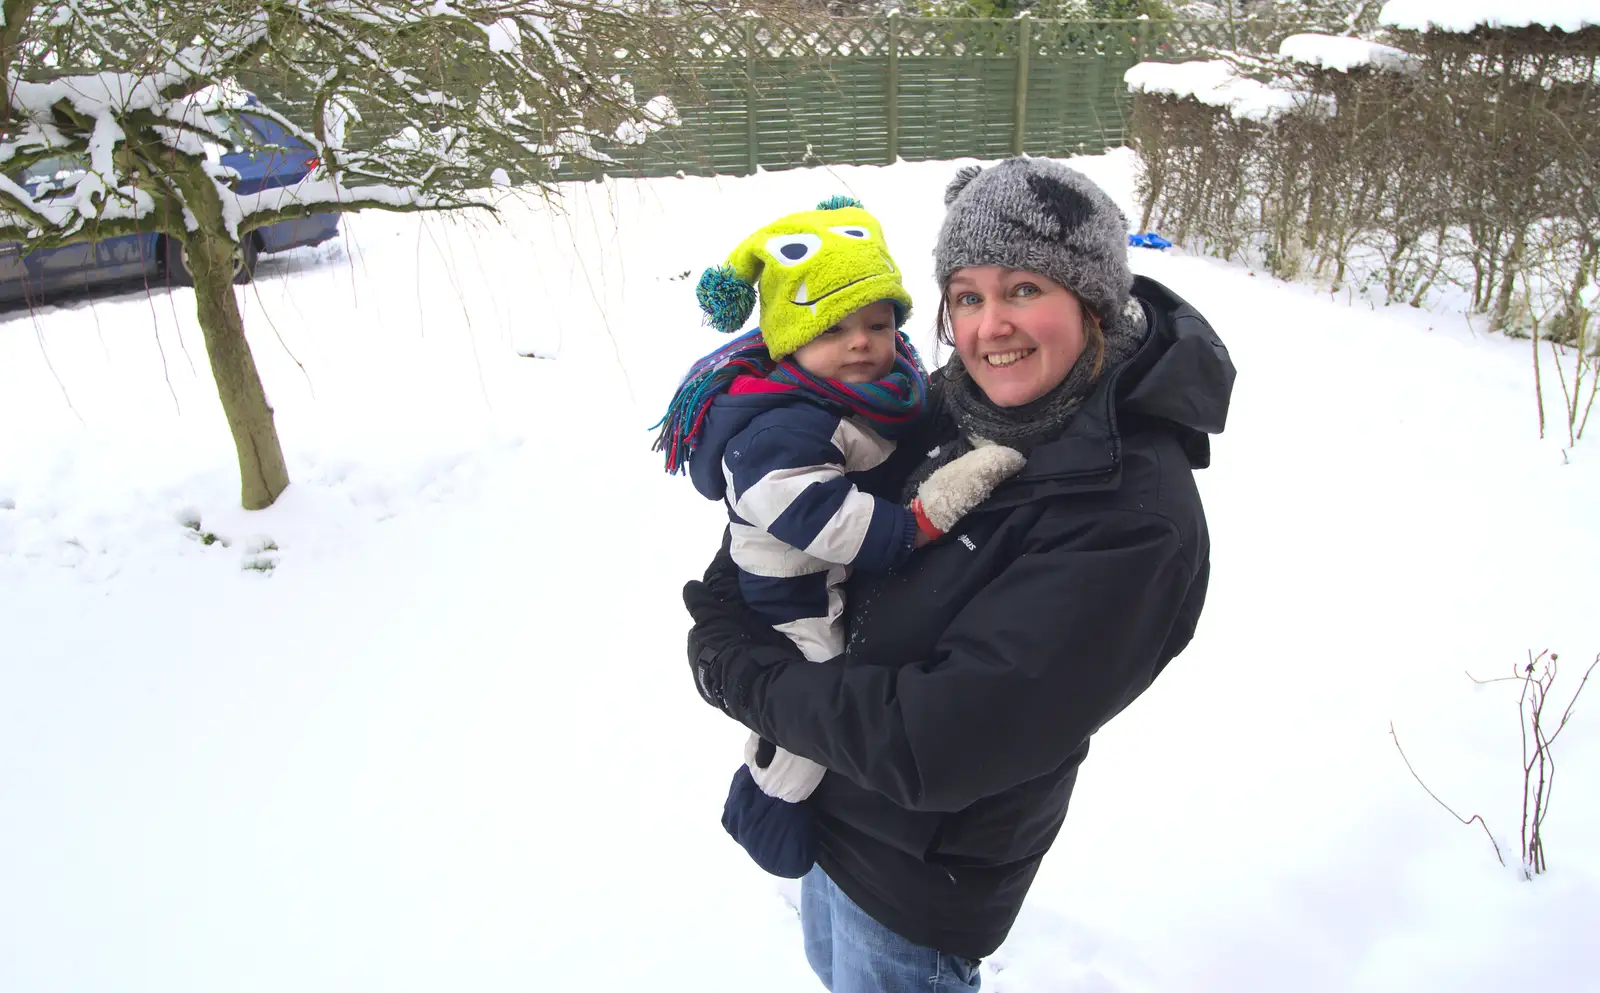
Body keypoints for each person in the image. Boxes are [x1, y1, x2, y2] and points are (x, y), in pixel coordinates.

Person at [680, 157, 1236, 992]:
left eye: (1023, 290)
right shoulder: (959, 398)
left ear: (1091, 299)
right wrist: (731, 600)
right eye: (968, 296)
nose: (989, 327)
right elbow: (802, 513)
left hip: (917, 880)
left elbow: (933, 742)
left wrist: (742, 672)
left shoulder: (1131, 515)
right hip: (832, 813)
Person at [653, 197, 1026, 881]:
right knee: (819, 682)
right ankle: (769, 794)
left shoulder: (875, 386)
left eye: (877, 323)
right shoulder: (780, 423)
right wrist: (911, 525)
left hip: (825, 564)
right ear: (791, 338)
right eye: (835, 328)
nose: (861, 341)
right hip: (788, 581)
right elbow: (816, 514)